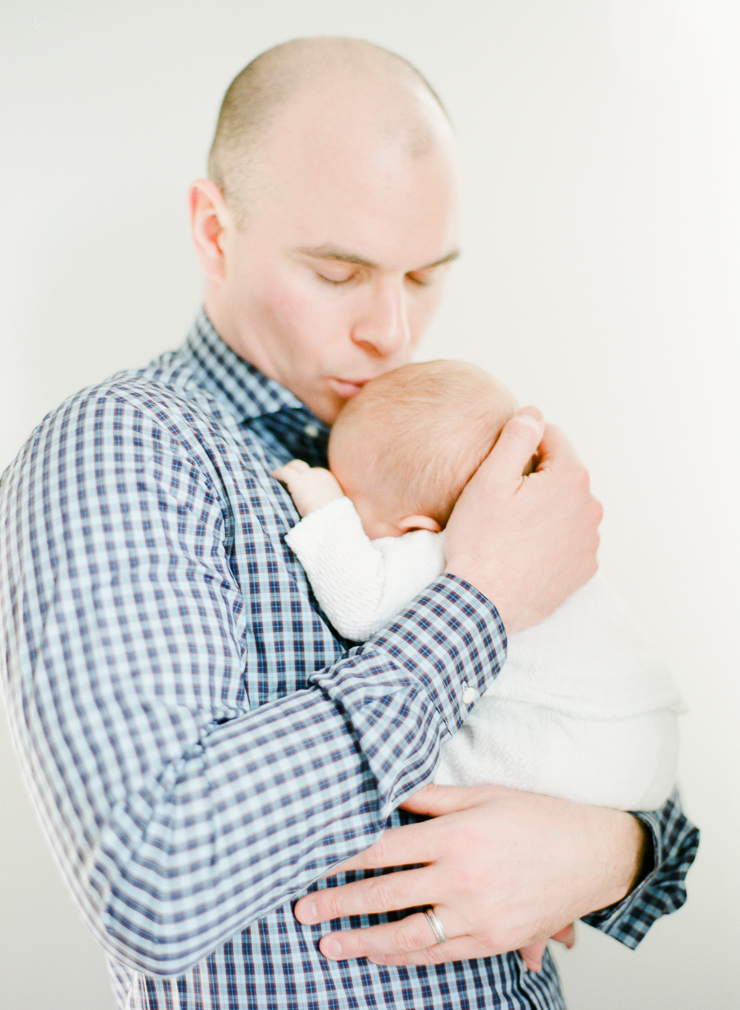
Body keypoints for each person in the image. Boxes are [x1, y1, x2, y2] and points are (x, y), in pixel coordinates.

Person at [0, 36, 698, 1010]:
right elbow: (152, 884)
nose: (392, 331)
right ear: (212, 230)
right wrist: (481, 599)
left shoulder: (442, 429)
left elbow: (585, 718)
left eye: (423, 276)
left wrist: (613, 849)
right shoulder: (124, 447)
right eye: (338, 272)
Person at [275, 358, 683, 974]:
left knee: (426, 773)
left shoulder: (445, 547)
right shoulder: (542, 536)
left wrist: (320, 499)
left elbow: (359, 605)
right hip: (634, 751)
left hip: (581, 757)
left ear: (416, 528)